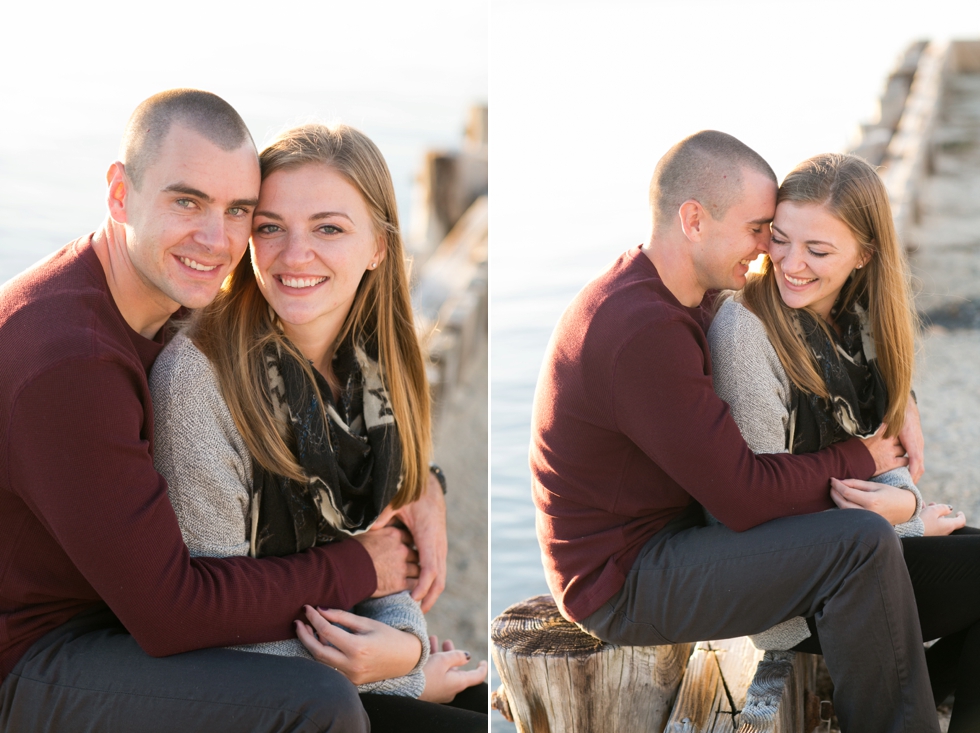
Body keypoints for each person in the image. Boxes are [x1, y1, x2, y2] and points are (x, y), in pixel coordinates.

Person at [0, 89, 444, 732]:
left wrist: (422, 483)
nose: (216, 240)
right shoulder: (71, 361)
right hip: (37, 657)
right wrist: (365, 569)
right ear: (120, 194)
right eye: (187, 201)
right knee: (320, 708)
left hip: (118, 624)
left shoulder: (167, 293)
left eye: (239, 211)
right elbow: (172, 611)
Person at [530, 130, 941, 732]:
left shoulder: (680, 292)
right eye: (760, 230)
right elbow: (743, 496)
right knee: (860, 542)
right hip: (623, 581)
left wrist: (902, 399)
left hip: (676, 541)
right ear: (693, 219)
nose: (766, 252)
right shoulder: (638, 329)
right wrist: (863, 456)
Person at [149, 122, 487, 729]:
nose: (294, 254)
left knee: (492, 700)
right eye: (270, 227)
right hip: (259, 692)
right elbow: (210, 626)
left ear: (379, 246)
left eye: (328, 228)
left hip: (345, 661)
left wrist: (402, 642)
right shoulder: (201, 383)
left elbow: (387, 545)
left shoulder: (373, 361)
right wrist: (405, 675)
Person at [707, 152, 980, 731]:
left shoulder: (860, 318)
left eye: (818, 250)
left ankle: (926, 695)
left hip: (859, 548)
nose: (790, 264)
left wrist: (901, 505)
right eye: (779, 239)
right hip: (802, 586)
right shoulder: (745, 334)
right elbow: (761, 508)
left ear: (865, 255)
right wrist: (903, 520)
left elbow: (886, 457)